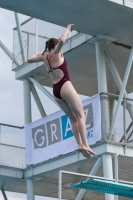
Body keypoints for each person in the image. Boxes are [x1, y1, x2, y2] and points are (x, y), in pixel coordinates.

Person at [27, 24, 96, 158]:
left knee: (73, 119)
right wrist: (68, 28)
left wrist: (41, 53)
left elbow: (29, 59)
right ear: (56, 45)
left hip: (56, 91)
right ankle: (86, 144)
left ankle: (79, 144)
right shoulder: (56, 53)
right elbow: (63, 40)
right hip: (65, 85)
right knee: (81, 116)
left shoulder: (44, 57)